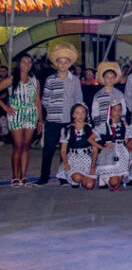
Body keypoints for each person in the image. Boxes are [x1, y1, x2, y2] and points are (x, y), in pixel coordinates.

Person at [38, 43, 84, 185]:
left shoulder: (75, 80)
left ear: (70, 64)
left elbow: (78, 100)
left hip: (69, 121)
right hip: (53, 119)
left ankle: (63, 176)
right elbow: (45, 100)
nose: (63, 65)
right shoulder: (50, 80)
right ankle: (44, 177)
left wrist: (77, 118)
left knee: (66, 150)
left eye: (66, 62)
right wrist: (52, 111)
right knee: (49, 149)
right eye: (60, 62)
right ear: (56, 63)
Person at [1, 53, 42, 186]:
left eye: (29, 62)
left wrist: (40, 121)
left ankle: (23, 176)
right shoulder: (12, 79)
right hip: (15, 114)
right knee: (18, 145)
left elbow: (37, 101)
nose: (27, 65)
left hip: (30, 114)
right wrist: (5, 107)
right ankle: (15, 176)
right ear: (19, 63)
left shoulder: (34, 81)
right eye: (24, 62)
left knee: (26, 146)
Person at [90, 99, 131, 191]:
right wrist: (102, 147)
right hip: (110, 153)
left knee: (119, 180)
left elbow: (127, 142)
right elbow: (90, 139)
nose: (117, 112)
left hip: (122, 152)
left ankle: (109, 179)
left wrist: (128, 157)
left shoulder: (124, 125)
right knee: (114, 183)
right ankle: (103, 177)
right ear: (110, 111)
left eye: (119, 110)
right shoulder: (105, 125)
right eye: (115, 110)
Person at [58, 103, 96, 189]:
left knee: (90, 185)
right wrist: (66, 164)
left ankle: (85, 180)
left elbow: (95, 149)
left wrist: (93, 166)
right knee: (77, 177)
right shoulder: (67, 130)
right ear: (73, 115)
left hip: (87, 159)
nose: (81, 115)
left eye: (83, 112)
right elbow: (63, 150)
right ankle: (78, 179)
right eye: (78, 113)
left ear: (86, 114)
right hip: (73, 159)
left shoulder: (91, 129)